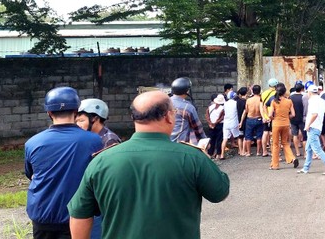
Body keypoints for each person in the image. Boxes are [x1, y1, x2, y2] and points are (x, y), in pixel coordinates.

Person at [68, 90, 230, 239]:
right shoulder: (193, 157)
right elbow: (219, 192)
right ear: (168, 116)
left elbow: (80, 214)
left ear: (134, 118)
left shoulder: (102, 161)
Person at [25, 87, 102, 239]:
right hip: (79, 218)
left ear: (49, 113)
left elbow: (31, 174)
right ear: (76, 111)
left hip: (43, 217)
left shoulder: (32, 143)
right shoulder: (94, 141)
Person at [75, 98, 121, 239]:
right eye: (76, 121)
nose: (77, 125)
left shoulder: (109, 140)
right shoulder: (86, 138)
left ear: (95, 118)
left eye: (81, 120)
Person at [297, 85, 325, 175]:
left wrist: (307, 125)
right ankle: (306, 168)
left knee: (317, 149)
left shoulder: (312, 101)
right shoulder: (321, 100)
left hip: (312, 128)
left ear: (309, 92)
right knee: (309, 149)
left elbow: (314, 114)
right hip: (317, 127)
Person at [169, 77, 208, 146]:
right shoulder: (187, 107)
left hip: (164, 142)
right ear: (187, 91)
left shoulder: (164, 102)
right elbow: (197, 128)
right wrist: (204, 140)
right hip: (180, 145)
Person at [268, 84, 299, 170]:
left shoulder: (274, 101)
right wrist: (286, 117)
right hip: (286, 124)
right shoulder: (289, 101)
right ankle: (293, 158)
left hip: (276, 124)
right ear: (285, 92)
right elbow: (293, 114)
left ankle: (275, 165)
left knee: (275, 144)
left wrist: (273, 118)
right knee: (285, 143)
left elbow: (270, 115)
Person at [241, 85, 265, 156]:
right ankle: (258, 152)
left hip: (250, 119)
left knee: (248, 136)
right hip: (259, 118)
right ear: (260, 91)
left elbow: (246, 110)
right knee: (259, 136)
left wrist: (241, 121)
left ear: (252, 91)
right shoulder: (261, 99)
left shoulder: (248, 100)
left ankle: (248, 152)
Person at [260, 78, 278, 157]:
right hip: (273, 116)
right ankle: (273, 151)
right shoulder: (277, 93)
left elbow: (261, 106)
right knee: (273, 134)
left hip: (265, 116)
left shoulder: (263, 93)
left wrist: (263, 116)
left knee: (265, 133)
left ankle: (264, 151)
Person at [220, 91, 240, 159]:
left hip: (226, 123)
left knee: (225, 139)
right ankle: (240, 151)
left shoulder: (225, 104)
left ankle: (222, 154)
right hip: (234, 122)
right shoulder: (236, 103)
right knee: (238, 137)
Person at [289, 82, 305, 157]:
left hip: (293, 118)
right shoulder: (304, 97)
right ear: (302, 89)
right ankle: (305, 153)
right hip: (302, 118)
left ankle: (297, 152)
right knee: (304, 135)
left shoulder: (290, 97)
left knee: (294, 135)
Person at [234, 87, 248, 155]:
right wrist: (241, 122)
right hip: (244, 120)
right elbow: (245, 112)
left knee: (239, 136)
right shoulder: (245, 102)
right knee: (245, 136)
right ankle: (244, 151)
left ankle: (240, 150)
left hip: (237, 120)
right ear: (246, 93)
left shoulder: (237, 101)